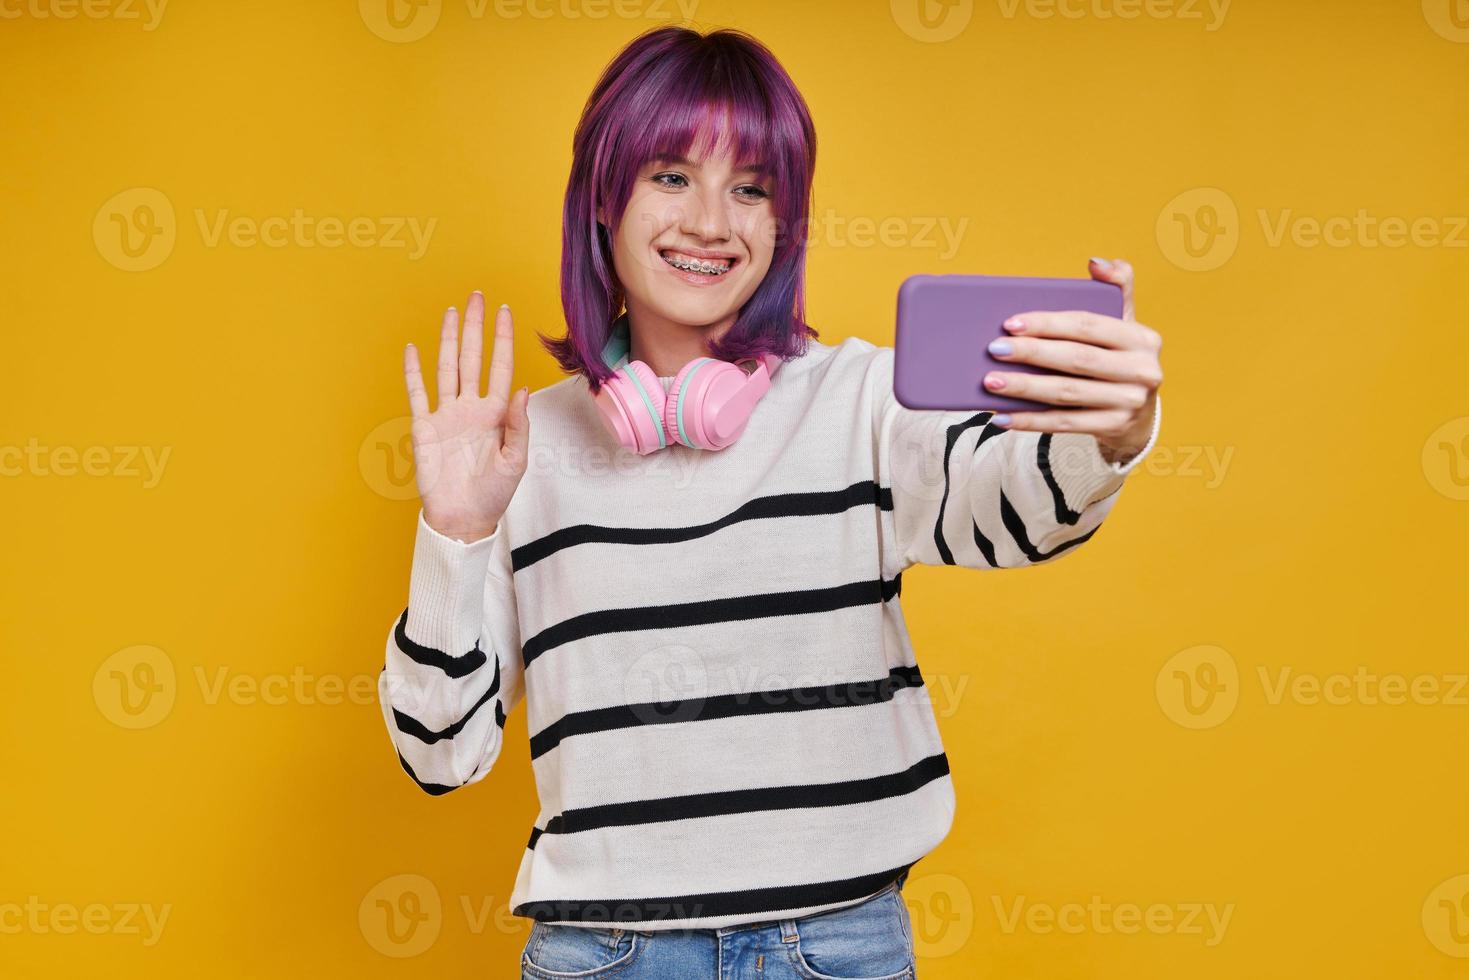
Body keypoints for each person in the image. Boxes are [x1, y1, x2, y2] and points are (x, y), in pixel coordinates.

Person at [377, 25, 1162, 979]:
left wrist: (1110, 435)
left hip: (836, 948)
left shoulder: (863, 399)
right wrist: (455, 532)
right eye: (670, 176)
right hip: (606, 956)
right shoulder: (517, 447)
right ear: (601, 198)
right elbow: (438, 754)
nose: (713, 221)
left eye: (751, 188)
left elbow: (1014, 508)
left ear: (782, 224)